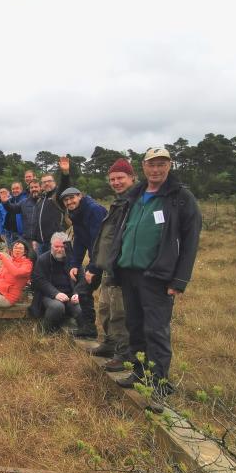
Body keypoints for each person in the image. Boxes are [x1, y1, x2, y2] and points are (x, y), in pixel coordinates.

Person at [108, 147, 202, 396]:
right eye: (152, 164)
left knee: (156, 330)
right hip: (129, 273)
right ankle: (139, 372)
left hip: (157, 276)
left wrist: (179, 280)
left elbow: (190, 241)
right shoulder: (135, 196)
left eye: (162, 164)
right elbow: (121, 233)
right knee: (135, 326)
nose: (156, 169)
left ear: (169, 166)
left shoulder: (180, 197)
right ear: (144, 167)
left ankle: (159, 382)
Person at [88, 158, 136, 371]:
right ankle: (108, 342)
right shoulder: (118, 203)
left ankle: (123, 352)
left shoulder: (134, 203)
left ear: (132, 178)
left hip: (121, 267)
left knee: (119, 311)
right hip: (108, 266)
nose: (116, 182)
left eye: (120, 178)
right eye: (113, 179)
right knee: (105, 307)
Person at [60, 186, 107, 339]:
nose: (69, 202)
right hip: (97, 258)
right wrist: (75, 264)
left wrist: (93, 267)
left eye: (72, 198)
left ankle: (112, 339)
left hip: (107, 259)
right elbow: (80, 241)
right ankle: (89, 328)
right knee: (83, 291)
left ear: (80, 196)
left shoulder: (94, 210)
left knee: (109, 300)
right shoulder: (75, 213)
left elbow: (99, 240)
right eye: (66, 200)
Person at [30, 232, 83, 334]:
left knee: (82, 309)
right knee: (57, 307)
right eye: (56, 246)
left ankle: (82, 333)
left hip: (70, 296)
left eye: (62, 246)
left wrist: (77, 293)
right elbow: (39, 280)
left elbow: (82, 279)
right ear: (51, 246)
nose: (59, 249)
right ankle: (43, 331)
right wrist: (56, 293)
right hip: (48, 295)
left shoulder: (74, 261)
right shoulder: (43, 259)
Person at [31, 157, 71, 254]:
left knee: (57, 267)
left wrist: (65, 173)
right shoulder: (40, 199)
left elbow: (64, 185)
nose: (47, 183)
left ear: (54, 183)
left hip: (55, 242)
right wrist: (34, 239)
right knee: (43, 267)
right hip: (40, 243)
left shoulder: (57, 196)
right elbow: (36, 222)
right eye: (44, 182)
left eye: (49, 181)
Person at [1, 180, 41, 251]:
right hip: (26, 238)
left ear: (40, 188)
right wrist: (5, 202)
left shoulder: (45, 200)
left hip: (41, 239)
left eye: (36, 187)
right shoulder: (24, 202)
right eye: (31, 187)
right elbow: (13, 209)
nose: (34, 189)